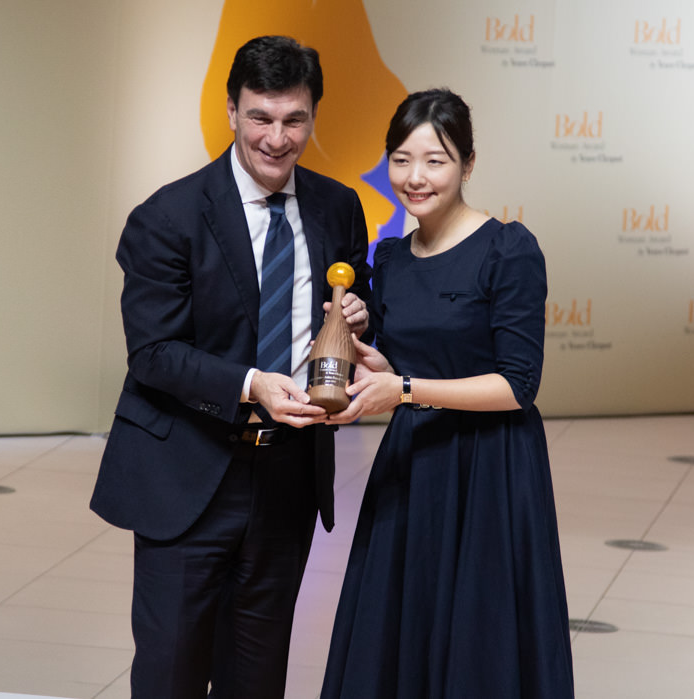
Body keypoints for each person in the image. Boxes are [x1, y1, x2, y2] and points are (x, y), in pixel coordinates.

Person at [90, 35, 372, 699]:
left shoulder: (337, 208)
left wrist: (359, 320)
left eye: (294, 120)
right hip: (188, 474)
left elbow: (352, 314)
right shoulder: (168, 217)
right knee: (172, 675)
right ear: (230, 111)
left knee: (257, 677)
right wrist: (251, 384)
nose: (277, 138)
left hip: (287, 479)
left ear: (314, 117)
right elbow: (154, 353)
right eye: (260, 117)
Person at [319, 88, 575, 698]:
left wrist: (404, 389)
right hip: (412, 463)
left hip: (491, 468)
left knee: (479, 635)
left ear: (468, 164)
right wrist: (373, 361)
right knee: (402, 626)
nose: (416, 177)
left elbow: (518, 385)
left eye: (435, 160)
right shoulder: (391, 259)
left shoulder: (508, 249)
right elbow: (405, 364)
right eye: (401, 160)